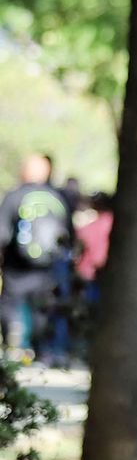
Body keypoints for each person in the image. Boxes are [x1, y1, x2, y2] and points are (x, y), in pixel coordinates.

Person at [0, 154, 75, 361]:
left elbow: (2, 233)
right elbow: (69, 235)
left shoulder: (15, 196)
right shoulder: (57, 198)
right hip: (49, 267)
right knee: (42, 309)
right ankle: (42, 352)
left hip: (17, 266)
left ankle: (13, 349)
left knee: (9, 305)